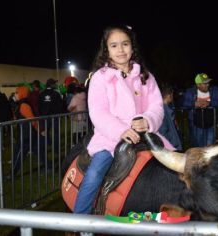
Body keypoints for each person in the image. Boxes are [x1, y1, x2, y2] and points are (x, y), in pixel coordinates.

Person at [73, 25, 175, 214]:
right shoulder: (99, 78)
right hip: (109, 139)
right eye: (114, 45)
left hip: (146, 135)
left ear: (132, 47)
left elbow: (156, 107)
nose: (120, 50)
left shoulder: (146, 76)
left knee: (176, 166)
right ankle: (79, 220)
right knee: (95, 174)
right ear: (106, 50)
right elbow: (98, 112)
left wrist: (147, 120)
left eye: (125, 44)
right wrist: (120, 130)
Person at [8, 86, 47, 179]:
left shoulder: (24, 105)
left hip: (26, 134)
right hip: (28, 133)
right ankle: (49, 166)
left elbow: (33, 120)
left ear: (21, 94)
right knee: (37, 151)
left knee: (19, 153)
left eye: (17, 93)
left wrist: (39, 131)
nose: (15, 94)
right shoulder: (22, 104)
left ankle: (12, 174)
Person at [183, 73, 218, 147]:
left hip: (211, 124)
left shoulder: (213, 90)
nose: (207, 85)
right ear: (198, 85)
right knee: (199, 147)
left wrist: (209, 103)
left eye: (208, 82)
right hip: (196, 125)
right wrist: (194, 104)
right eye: (205, 83)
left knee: (210, 147)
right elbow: (183, 103)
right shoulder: (191, 92)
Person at [39, 78, 63, 152]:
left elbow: (39, 105)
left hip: (44, 116)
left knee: (44, 132)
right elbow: (60, 105)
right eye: (54, 83)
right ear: (51, 85)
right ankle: (56, 149)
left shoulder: (41, 94)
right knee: (55, 133)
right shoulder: (56, 94)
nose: (56, 85)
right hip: (54, 117)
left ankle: (44, 148)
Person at [158, 85, 182, 151]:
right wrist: (173, 143)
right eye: (172, 94)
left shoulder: (167, 108)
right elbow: (163, 131)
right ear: (169, 96)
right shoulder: (163, 110)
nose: (173, 97)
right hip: (170, 147)